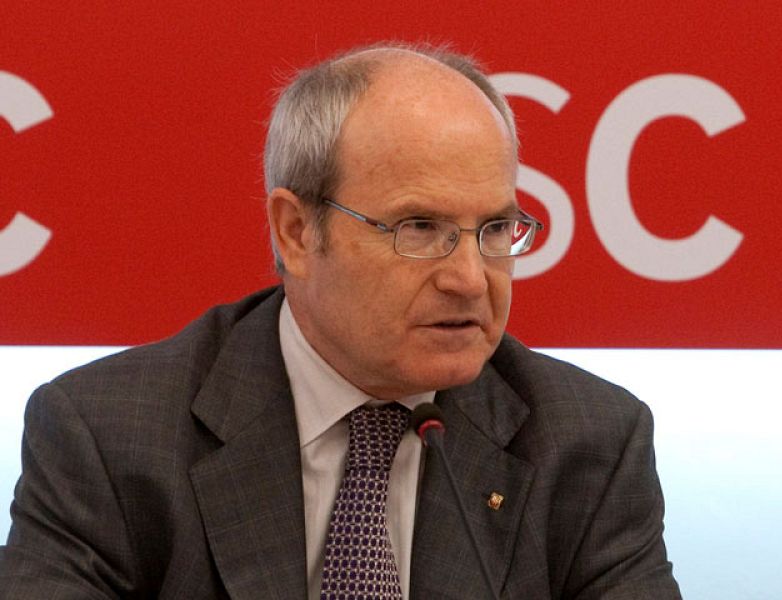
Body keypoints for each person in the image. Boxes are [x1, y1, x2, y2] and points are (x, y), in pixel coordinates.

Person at [0, 42, 681, 599]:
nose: (471, 279)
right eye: (420, 227)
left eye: (495, 229)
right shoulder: (110, 439)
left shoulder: (587, 446)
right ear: (296, 232)